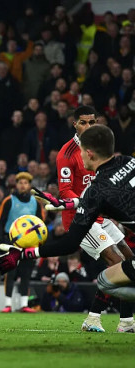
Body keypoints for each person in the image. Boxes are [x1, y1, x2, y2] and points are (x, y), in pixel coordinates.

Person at [0, 125, 135, 333]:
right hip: (92, 214)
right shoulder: (129, 162)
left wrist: (24, 253)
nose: (80, 157)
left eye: (82, 151)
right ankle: (126, 322)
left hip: (91, 220)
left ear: (89, 153)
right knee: (128, 263)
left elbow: (69, 244)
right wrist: (64, 203)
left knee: (109, 278)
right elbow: (106, 197)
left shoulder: (96, 191)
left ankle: (95, 318)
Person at [50, 105, 133, 332]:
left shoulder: (98, 147)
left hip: (100, 215)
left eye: (92, 122)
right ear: (74, 124)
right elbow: (65, 191)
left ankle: (126, 322)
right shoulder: (67, 154)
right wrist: (89, 204)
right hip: (80, 219)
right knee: (117, 263)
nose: (88, 126)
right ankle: (93, 318)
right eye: (83, 122)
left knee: (130, 260)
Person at [0, 172, 45, 313]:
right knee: (10, 272)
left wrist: (39, 242)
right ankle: (8, 304)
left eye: (25, 183)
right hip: (11, 241)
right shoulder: (9, 200)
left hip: (29, 243)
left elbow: (41, 223)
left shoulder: (35, 202)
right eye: (20, 183)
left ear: (29, 185)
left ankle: (24, 304)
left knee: (26, 272)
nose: (23, 185)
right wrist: (0, 240)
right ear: (16, 185)